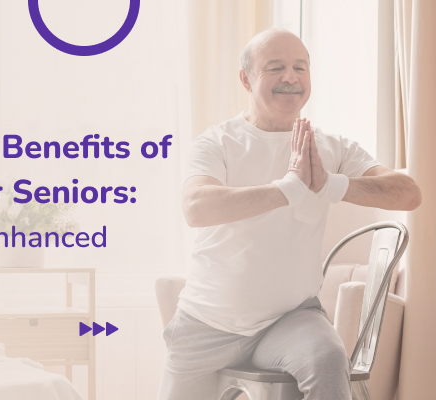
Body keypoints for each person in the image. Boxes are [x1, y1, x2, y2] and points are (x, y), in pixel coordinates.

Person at [158, 29, 422, 400]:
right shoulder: (218, 142)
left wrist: (330, 184)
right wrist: (288, 190)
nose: (290, 77)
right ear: (245, 78)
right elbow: (196, 206)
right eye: (275, 67)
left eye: (300, 67)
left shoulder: (331, 148)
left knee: (328, 358)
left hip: (290, 319)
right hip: (207, 323)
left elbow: (408, 194)